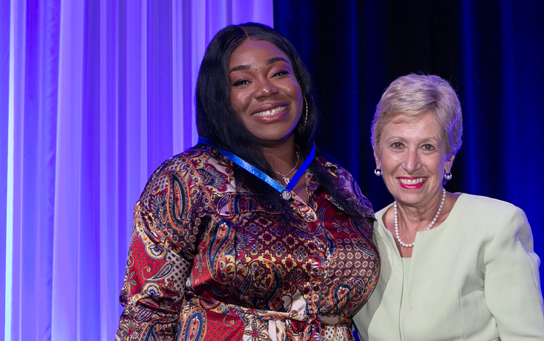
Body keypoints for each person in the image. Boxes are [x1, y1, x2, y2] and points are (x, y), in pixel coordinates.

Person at [116, 23, 379, 341]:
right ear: (220, 99)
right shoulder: (186, 180)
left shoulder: (339, 183)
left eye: (279, 73)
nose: (266, 89)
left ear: (300, 84)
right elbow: (147, 316)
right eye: (242, 80)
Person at [353, 74, 544, 340]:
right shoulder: (359, 238)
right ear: (378, 155)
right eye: (397, 145)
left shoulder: (495, 226)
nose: (410, 164)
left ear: (448, 160)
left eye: (427, 147)